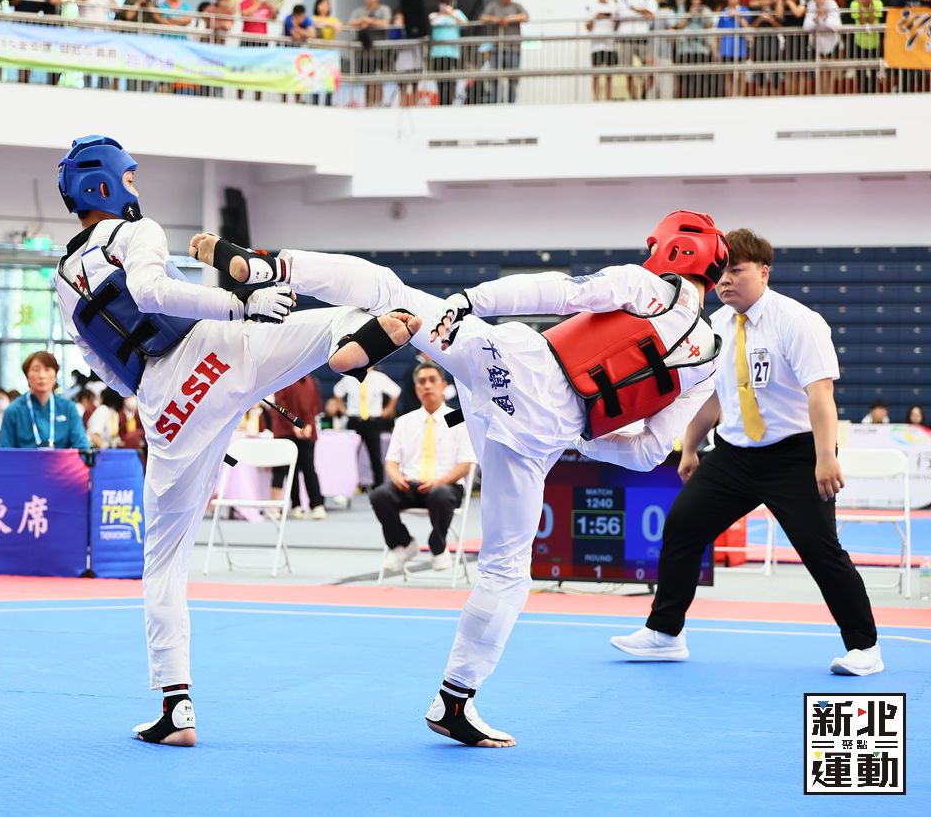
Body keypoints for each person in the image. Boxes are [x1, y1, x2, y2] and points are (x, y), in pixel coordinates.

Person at [190, 209, 726, 747]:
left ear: (670, 251)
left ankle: (275, 270)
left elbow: (559, 292)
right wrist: (578, 437)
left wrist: (471, 300)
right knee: (508, 574)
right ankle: (454, 701)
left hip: (510, 366)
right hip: (538, 438)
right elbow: (647, 453)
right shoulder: (707, 364)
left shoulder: (646, 285)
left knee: (389, 290)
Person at [53, 135, 416, 747]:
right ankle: (358, 341)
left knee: (161, 563)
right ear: (107, 185)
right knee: (331, 321)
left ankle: (176, 707)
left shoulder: (63, 280)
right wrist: (238, 303)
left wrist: (178, 411)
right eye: (131, 178)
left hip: (164, 405)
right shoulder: (137, 232)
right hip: (213, 350)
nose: (136, 189)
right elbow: (151, 293)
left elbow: (101, 364)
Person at [609, 229, 882, 677]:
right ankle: (665, 634)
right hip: (734, 455)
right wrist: (690, 448)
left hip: (795, 456)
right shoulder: (714, 327)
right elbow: (712, 397)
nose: (725, 281)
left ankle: (865, 647)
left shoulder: (798, 322)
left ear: (764, 272)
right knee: (682, 527)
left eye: (736, 270)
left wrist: (825, 456)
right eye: (720, 273)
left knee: (821, 551)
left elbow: (820, 394)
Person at [375, 363, 475, 572]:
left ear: (444, 386)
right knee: (380, 495)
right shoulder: (404, 421)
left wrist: (439, 482)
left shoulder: (458, 419)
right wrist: (396, 478)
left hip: (445, 486)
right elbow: (391, 462)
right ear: (416, 388)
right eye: (422, 382)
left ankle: (437, 546)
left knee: (441, 495)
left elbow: (466, 465)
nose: (427, 386)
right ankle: (402, 544)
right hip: (410, 485)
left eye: (432, 380)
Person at [0, 351, 90, 450]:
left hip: (59, 460)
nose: (42, 375)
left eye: (47, 369)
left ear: (55, 374)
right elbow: (4, 452)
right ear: (27, 375)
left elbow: (82, 448)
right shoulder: (14, 410)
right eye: (36, 370)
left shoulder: (68, 407)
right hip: (24, 460)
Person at [269, 374, 327, 520]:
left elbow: (312, 408)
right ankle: (308, 506)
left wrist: (300, 426)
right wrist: (304, 425)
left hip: (295, 431)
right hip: (297, 430)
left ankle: (311, 506)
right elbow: (282, 405)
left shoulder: (303, 381)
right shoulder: (306, 381)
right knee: (299, 469)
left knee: (298, 469)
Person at [333, 366, 401, 490]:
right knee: (350, 457)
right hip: (355, 421)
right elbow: (337, 391)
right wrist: (342, 409)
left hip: (372, 422)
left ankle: (379, 487)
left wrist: (388, 410)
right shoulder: (350, 377)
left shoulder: (379, 377)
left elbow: (396, 391)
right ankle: (347, 486)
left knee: (376, 456)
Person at [480, 0, 529, 104]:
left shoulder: (516, 6)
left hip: (513, 49)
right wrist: (496, 20)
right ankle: (496, 103)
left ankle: (511, 103)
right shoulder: (493, 6)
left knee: (513, 78)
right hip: (497, 49)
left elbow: (525, 16)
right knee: (495, 78)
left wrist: (509, 19)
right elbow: (483, 17)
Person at [617, 0, 659, 100]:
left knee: (650, 67)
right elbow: (623, 14)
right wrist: (642, 12)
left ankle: (644, 93)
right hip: (626, 36)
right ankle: (633, 97)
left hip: (643, 35)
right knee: (628, 71)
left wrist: (634, 10)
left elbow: (652, 13)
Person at [429, 0, 468, 107]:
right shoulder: (434, 15)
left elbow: (466, 25)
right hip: (437, 54)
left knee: (451, 80)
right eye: (443, 4)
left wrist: (452, 15)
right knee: (440, 80)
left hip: (452, 53)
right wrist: (442, 13)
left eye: (447, 4)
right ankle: (441, 104)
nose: (445, 6)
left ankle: (450, 104)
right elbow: (430, 22)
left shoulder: (457, 13)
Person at [587, 0, 619, 102]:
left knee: (609, 74)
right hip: (596, 44)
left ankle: (608, 98)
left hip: (609, 44)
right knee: (596, 73)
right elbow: (588, 26)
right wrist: (595, 18)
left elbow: (616, 27)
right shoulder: (592, 6)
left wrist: (613, 19)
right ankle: (596, 98)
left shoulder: (613, 6)